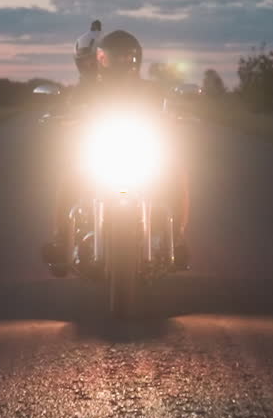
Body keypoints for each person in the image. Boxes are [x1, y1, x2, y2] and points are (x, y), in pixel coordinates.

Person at [41, 28, 191, 275]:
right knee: (69, 172)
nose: (119, 62)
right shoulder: (86, 90)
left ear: (135, 59)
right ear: (101, 58)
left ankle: (177, 239)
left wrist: (177, 117)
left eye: (125, 57)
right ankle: (60, 240)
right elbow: (68, 111)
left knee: (176, 170)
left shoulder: (151, 91)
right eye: (111, 57)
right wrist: (61, 118)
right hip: (99, 150)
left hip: (141, 150)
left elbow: (169, 111)